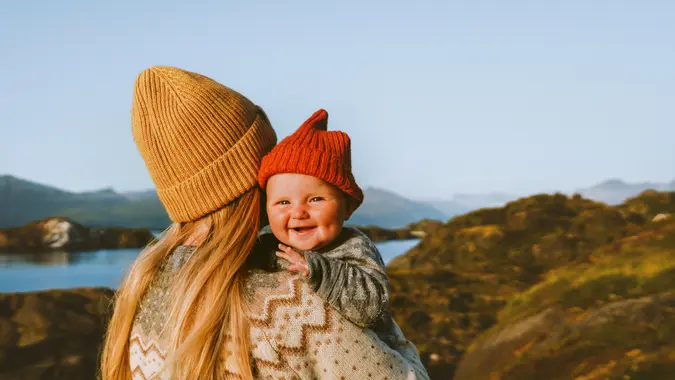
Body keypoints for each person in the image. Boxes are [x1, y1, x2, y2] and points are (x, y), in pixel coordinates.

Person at [100, 66, 429, 380]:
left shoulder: (142, 289)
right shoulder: (293, 305)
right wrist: (392, 338)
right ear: (250, 178)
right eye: (269, 158)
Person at [256, 108, 416, 350]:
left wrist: (319, 270)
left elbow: (371, 306)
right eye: (284, 202)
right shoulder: (265, 245)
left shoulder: (354, 247)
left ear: (348, 207)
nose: (298, 212)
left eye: (315, 199)